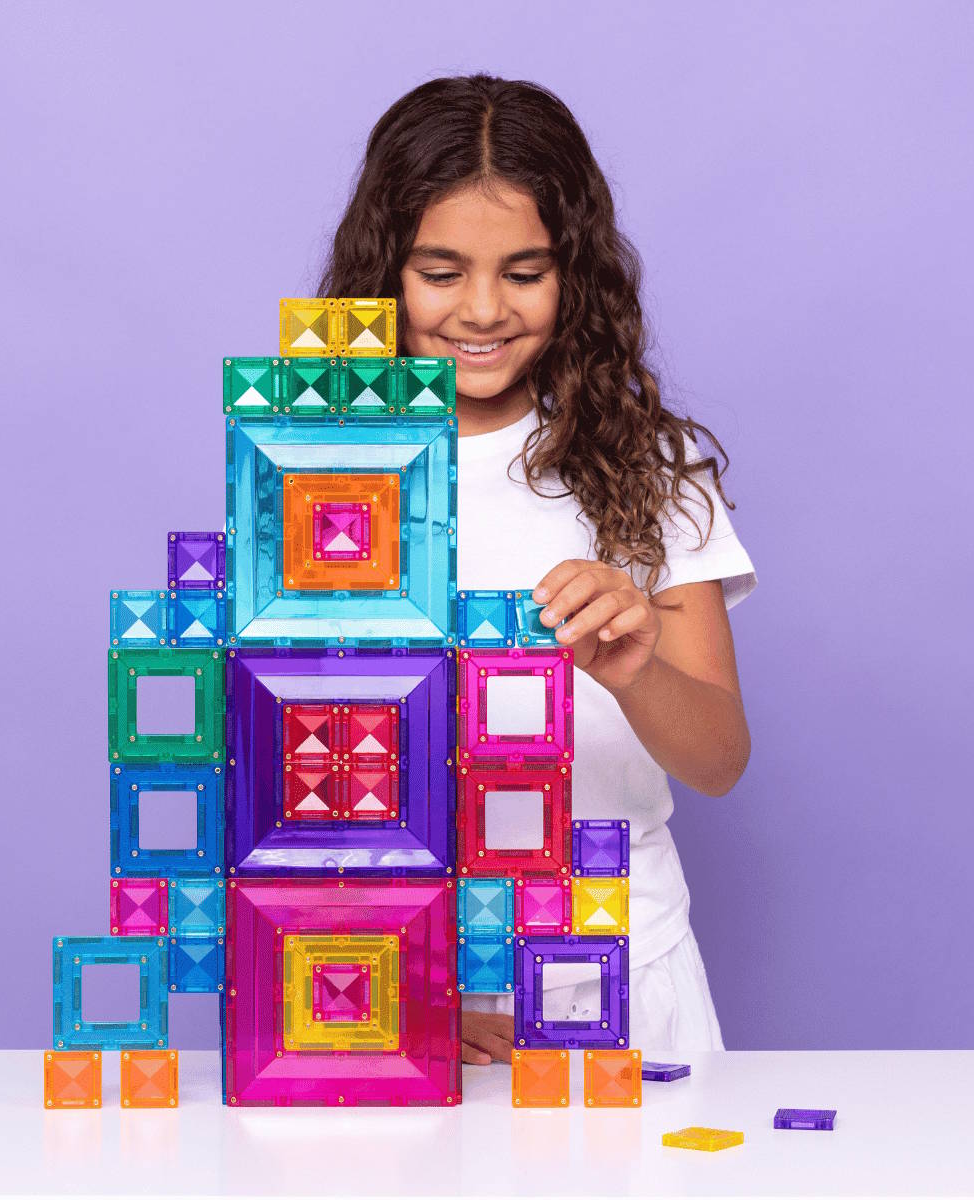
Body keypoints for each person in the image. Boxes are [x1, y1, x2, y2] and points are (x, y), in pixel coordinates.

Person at [316, 73, 756, 1063]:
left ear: (576, 275)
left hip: (621, 973)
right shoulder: (323, 468)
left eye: (525, 272)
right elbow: (286, 764)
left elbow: (720, 759)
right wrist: (413, 982)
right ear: (385, 269)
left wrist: (636, 662)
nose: (481, 310)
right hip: (393, 998)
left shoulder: (645, 463)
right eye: (440, 271)